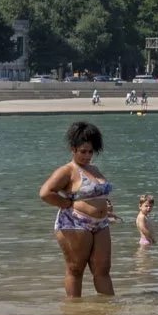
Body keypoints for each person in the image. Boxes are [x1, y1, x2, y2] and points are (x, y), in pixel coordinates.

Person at [38, 121, 115, 297]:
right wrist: (67, 204)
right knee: (76, 269)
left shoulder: (93, 168)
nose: (87, 156)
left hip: (101, 224)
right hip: (75, 223)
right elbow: (45, 193)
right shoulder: (67, 171)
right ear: (73, 149)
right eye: (83, 152)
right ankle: (74, 312)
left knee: (102, 270)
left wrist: (105, 207)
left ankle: (110, 310)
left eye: (90, 152)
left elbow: (97, 194)